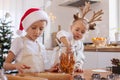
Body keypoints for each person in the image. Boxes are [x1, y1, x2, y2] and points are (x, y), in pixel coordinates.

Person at [3, 8, 57, 73]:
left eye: (41, 29)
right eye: (33, 28)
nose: (37, 32)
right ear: (27, 27)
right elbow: (5, 65)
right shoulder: (19, 41)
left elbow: (41, 69)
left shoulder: (41, 46)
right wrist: (16, 65)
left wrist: (50, 70)